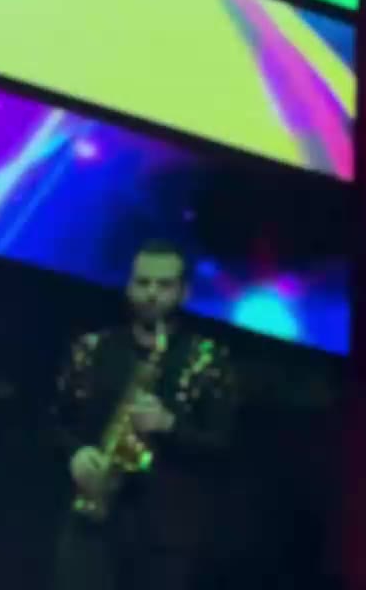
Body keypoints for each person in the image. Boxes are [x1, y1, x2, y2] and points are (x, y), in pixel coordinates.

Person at [48, 240, 237, 590]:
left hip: (165, 534)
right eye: (143, 282)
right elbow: (54, 422)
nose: (152, 294)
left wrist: (170, 425)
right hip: (92, 520)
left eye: (164, 285)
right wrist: (74, 453)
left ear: (184, 292)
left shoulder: (210, 359)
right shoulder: (92, 347)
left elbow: (224, 446)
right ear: (128, 286)